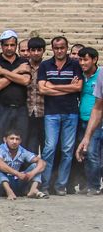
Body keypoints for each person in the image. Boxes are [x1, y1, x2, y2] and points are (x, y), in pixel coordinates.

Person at [37, 35, 84, 195]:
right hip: (51, 113)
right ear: (52, 49)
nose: (59, 51)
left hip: (71, 113)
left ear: (66, 48)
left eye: (62, 48)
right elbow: (42, 89)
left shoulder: (75, 65)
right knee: (49, 148)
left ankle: (60, 185)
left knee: (67, 150)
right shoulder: (45, 65)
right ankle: (44, 184)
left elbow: (78, 88)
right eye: (56, 48)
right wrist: (67, 88)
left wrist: (53, 87)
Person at [0, 29, 31, 142]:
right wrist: (17, 71)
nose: (9, 48)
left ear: (16, 45)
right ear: (1, 46)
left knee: (21, 141)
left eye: (12, 45)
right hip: (1, 108)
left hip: (20, 108)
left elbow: (25, 81)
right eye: (6, 45)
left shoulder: (23, 62)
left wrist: (3, 72)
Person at [0, 130, 46, 199]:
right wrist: (17, 174)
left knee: (36, 166)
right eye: (12, 138)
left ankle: (32, 190)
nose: (14, 142)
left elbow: (42, 162)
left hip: (15, 182)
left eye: (17, 139)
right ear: (5, 139)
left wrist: (32, 173)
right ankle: (9, 192)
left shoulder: (22, 151)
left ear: (20, 141)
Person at [76, 47, 101, 193]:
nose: (82, 63)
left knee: (92, 153)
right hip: (81, 119)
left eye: (85, 60)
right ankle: (86, 184)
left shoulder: (100, 75)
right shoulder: (79, 76)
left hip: (96, 121)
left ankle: (94, 186)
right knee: (83, 153)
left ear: (94, 59)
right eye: (80, 60)